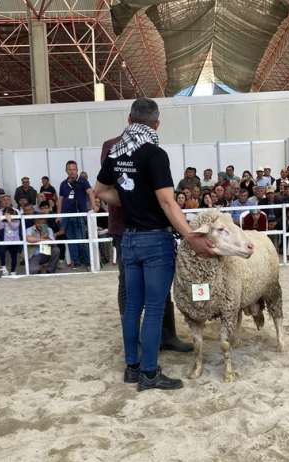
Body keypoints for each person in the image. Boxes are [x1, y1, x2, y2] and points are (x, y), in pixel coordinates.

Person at [94, 97, 216, 392]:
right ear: (156, 124)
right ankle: (150, 373)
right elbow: (166, 201)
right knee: (154, 306)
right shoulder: (155, 154)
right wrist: (190, 235)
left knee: (132, 306)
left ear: (129, 120)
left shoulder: (116, 153)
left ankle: (132, 367)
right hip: (154, 239)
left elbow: (99, 191)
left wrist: (131, 200)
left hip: (130, 238)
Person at [59, 160, 92, 269]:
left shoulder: (83, 181)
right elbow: (60, 200)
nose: (72, 172)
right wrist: (58, 215)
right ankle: (76, 262)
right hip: (66, 216)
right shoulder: (63, 184)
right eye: (70, 169)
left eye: (74, 169)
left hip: (79, 214)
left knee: (81, 239)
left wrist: (93, 207)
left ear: (77, 170)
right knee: (71, 240)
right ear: (66, 170)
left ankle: (87, 261)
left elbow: (90, 192)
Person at [0, 200, 21, 276]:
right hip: (6, 241)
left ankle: (13, 271)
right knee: (2, 252)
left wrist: (9, 221)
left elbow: (14, 227)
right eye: (6, 213)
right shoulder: (4, 222)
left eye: (10, 212)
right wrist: (0, 219)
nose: (8, 214)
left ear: (14, 213)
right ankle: (4, 268)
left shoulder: (17, 221)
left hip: (15, 241)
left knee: (14, 256)